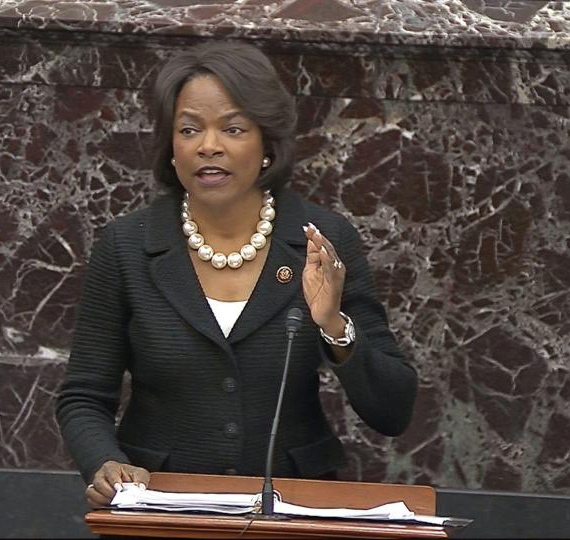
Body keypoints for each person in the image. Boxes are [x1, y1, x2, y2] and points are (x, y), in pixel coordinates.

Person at [55, 41, 418, 509]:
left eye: (232, 128)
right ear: (171, 148)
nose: (209, 146)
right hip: (157, 510)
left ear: (267, 143)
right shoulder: (127, 246)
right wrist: (104, 462)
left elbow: (393, 411)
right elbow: (84, 395)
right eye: (189, 129)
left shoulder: (322, 242)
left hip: (290, 512)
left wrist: (334, 327)